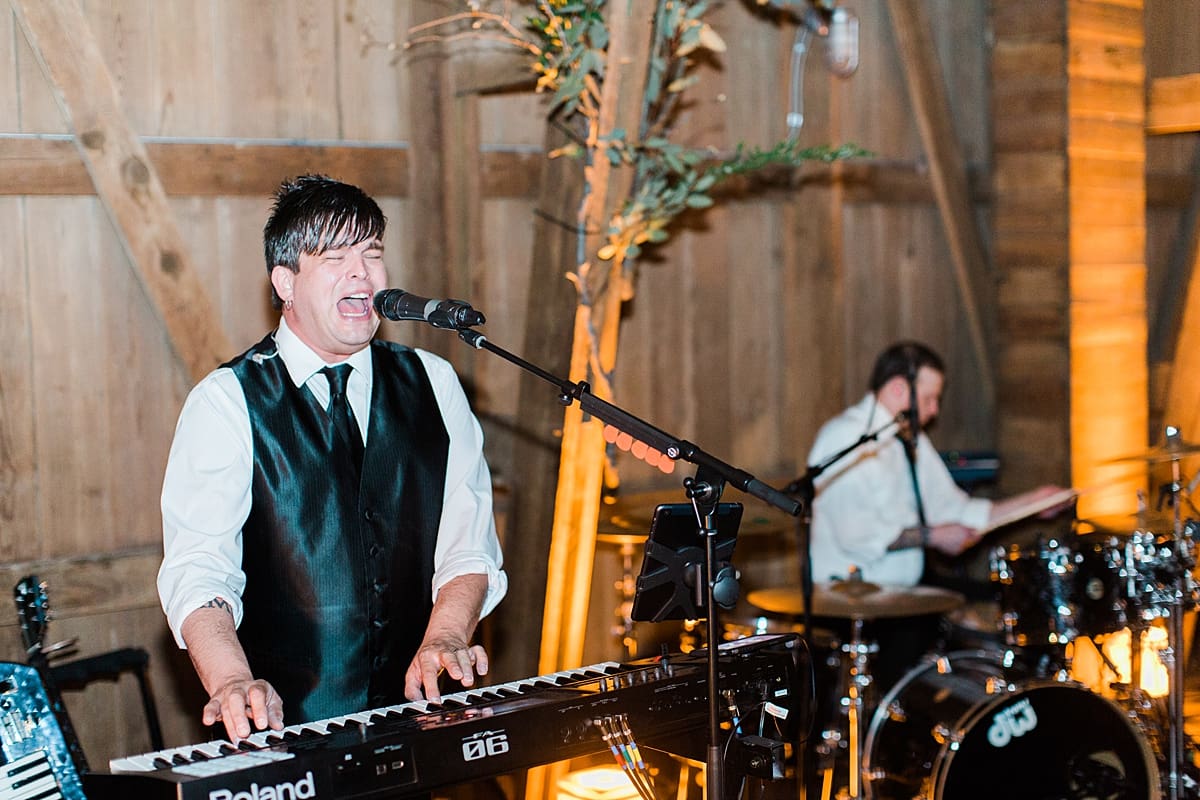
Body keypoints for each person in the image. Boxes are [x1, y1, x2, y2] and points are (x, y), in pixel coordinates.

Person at [158, 174, 507, 742]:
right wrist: (231, 680)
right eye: (335, 256)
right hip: (287, 735)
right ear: (285, 282)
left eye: (372, 254)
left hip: (421, 727)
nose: (362, 273)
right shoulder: (226, 402)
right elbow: (199, 571)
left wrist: (446, 636)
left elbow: (468, 544)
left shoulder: (434, 383)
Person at [807, 340, 1070, 588]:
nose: (934, 410)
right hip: (851, 603)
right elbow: (857, 534)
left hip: (901, 597)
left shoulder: (911, 440)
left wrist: (1033, 502)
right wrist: (934, 536)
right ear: (898, 388)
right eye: (929, 399)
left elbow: (954, 508)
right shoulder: (844, 437)